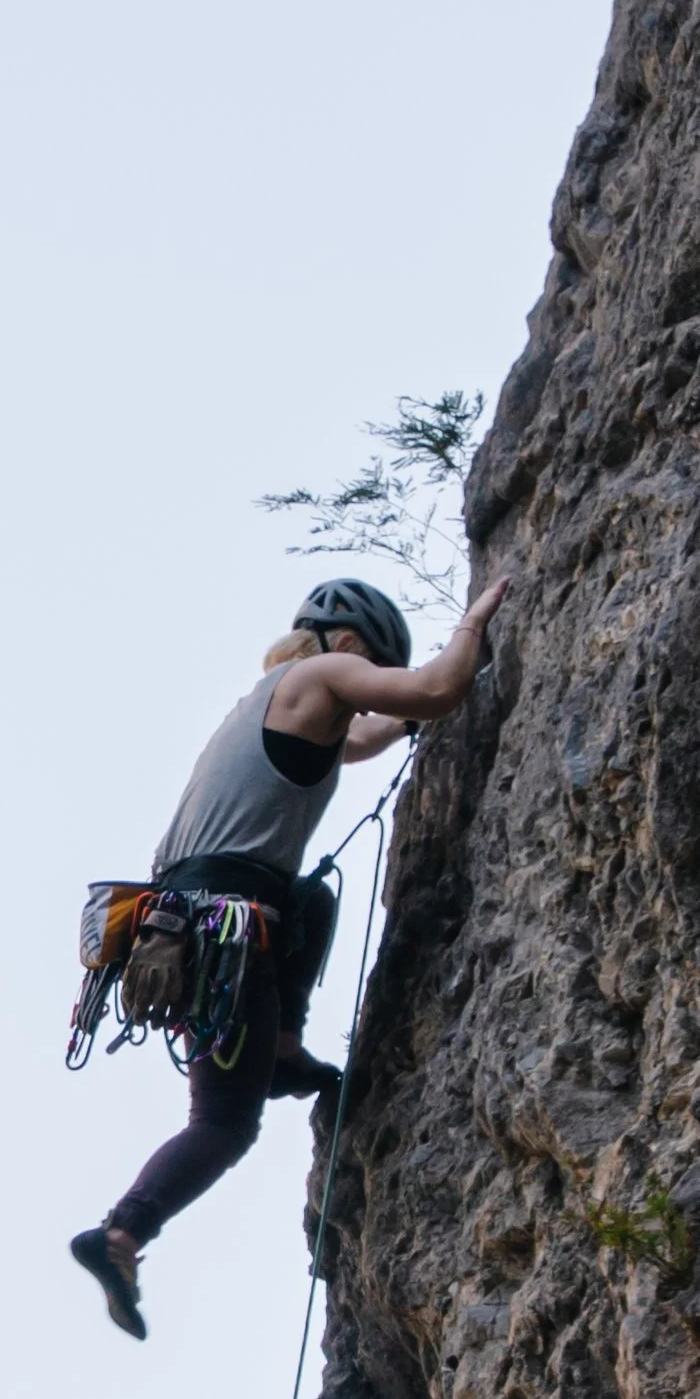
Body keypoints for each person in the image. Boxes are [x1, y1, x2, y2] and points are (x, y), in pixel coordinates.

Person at [70, 571, 508, 1338]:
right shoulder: (324, 675)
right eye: (371, 669)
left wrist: (406, 724)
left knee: (312, 896)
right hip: (226, 935)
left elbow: (371, 733)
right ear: (348, 647)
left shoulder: (268, 700)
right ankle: (122, 1233)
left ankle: (279, 1047)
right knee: (225, 1125)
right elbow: (437, 689)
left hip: (188, 930)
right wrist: (474, 628)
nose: (369, 687)